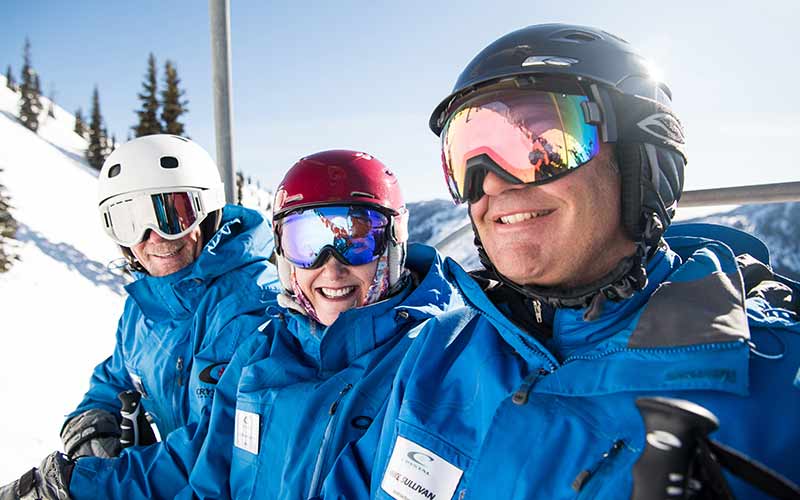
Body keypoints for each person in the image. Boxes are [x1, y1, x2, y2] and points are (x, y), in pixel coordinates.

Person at [318, 24, 800, 499]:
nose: (490, 184)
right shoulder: (439, 351)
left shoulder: (779, 383)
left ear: (643, 164)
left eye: (540, 148)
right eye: (468, 157)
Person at [0, 150, 464, 499]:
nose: (331, 266)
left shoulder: (441, 365)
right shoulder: (264, 353)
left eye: (354, 240)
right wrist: (78, 481)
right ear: (284, 252)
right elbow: (204, 470)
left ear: (394, 244)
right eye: (307, 243)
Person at [0, 134, 279, 498]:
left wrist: (84, 486)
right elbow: (115, 376)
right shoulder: (144, 307)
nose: (154, 238)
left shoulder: (253, 306)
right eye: (129, 222)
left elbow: (224, 449)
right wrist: (93, 427)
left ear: (208, 211)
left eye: (173, 215)